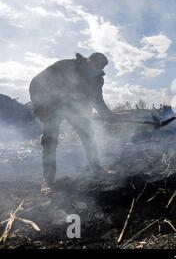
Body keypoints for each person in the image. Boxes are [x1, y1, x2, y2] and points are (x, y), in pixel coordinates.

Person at [29, 52, 114, 194]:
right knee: (50, 141)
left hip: (75, 110)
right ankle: (48, 180)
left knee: (88, 137)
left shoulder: (98, 79)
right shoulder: (64, 66)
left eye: (102, 67)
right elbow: (36, 83)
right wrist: (40, 106)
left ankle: (97, 169)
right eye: (96, 65)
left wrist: (108, 115)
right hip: (53, 108)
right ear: (89, 61)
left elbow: (97, 99)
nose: (98, 69)